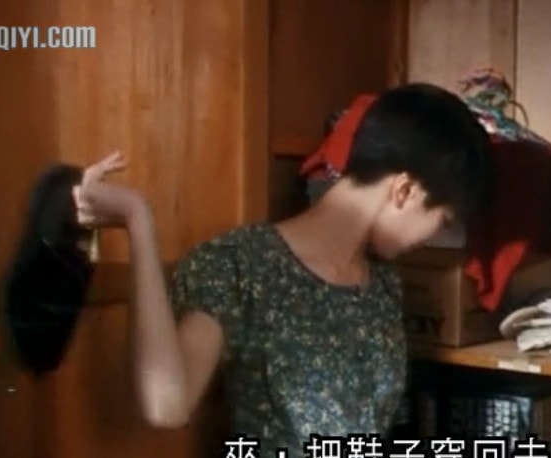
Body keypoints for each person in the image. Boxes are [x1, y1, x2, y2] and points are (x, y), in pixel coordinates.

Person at [74, 83, 494, 456]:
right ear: (404, 190)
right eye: (442, 220)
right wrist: (138, 218)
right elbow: (166, 405)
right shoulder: (239, 264)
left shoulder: (383, 287)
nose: (435, 237)